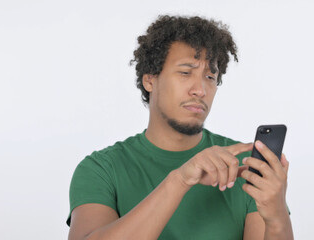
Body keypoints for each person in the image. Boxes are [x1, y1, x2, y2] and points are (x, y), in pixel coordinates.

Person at [67, 15, 294, 240]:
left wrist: (277, 218)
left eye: (210, 76)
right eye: (186, 73)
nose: (200, 90)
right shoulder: (101, 169)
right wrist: (180, 180)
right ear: (150, 80)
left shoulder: (244, 166)